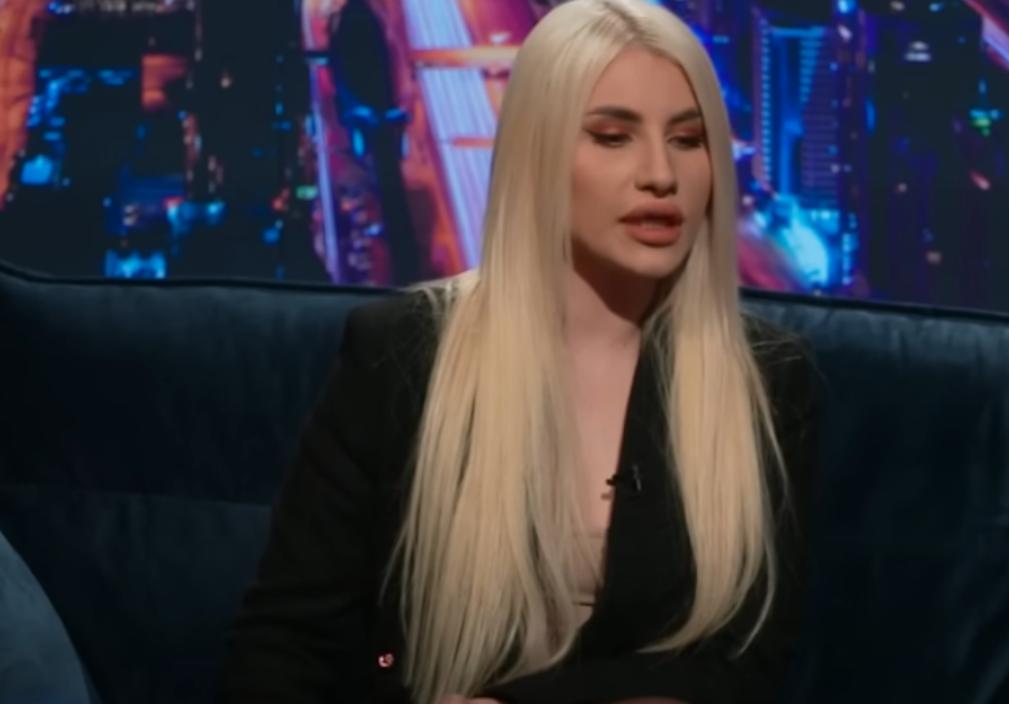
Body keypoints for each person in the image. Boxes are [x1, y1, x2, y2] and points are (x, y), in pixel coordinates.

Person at [221, 1, 822, 702]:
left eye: (689, 140)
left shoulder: (769, 382)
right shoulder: (400, 355)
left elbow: (746, 664)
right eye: (613, 137)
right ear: (537, 153)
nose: (661, 174)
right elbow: (286, 648)